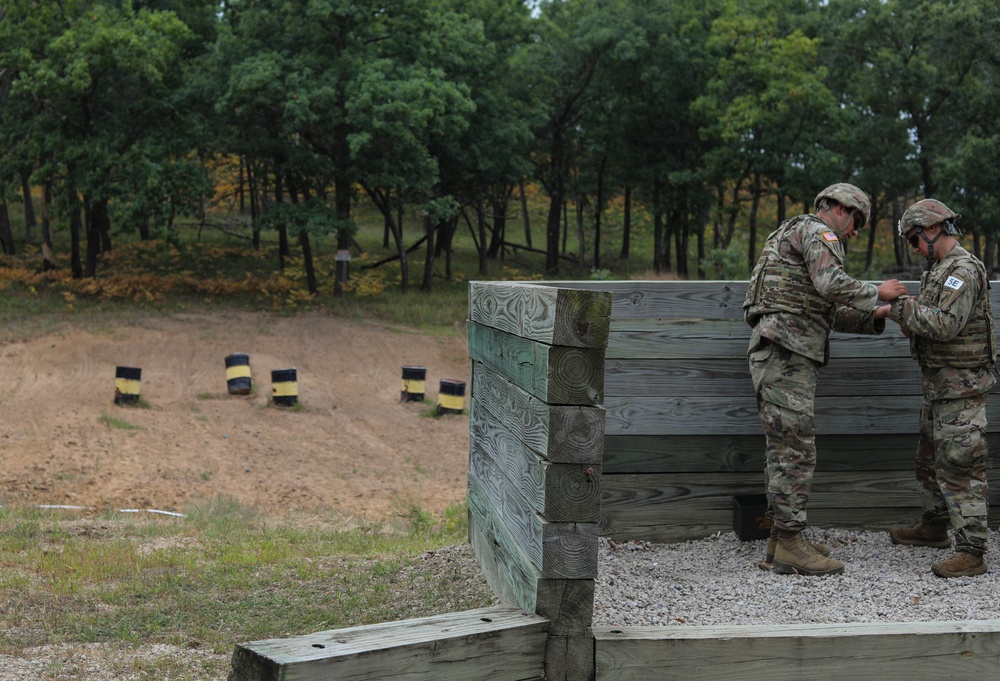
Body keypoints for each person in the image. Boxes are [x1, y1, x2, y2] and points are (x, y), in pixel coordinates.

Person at [743, 183, 908, 576]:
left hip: (782, 349)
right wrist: (877, 291)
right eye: (857, 222)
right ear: (837, 208)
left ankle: (780, 538)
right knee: (795, 451)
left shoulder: (794, 233)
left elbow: (829, 312)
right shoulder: (819, 231)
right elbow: (831, 285)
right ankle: (790, 545)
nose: (854, 232)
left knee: (784, 448)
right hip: (786, 352)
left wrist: (878, 314)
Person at [887, 199, 996, 578]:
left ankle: (972, 551)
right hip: (939, 385)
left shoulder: (962, 270)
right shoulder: (939, 269)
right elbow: (927, 322)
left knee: (961, 467)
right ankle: (934, 529)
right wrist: (910, 316)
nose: (915, 248)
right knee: (929, 463)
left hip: (960, 388)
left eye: (915, 239)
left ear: (933, 230)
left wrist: (898, 307)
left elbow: (946, 324)